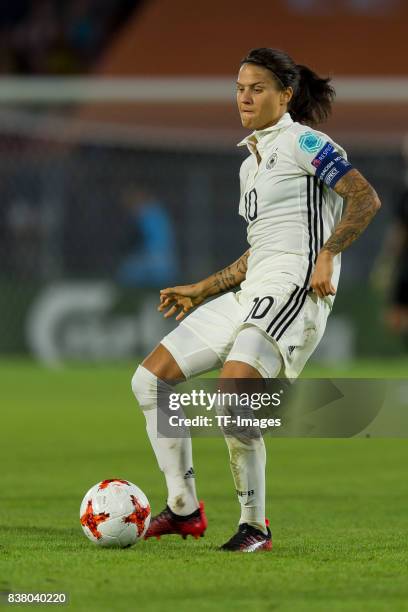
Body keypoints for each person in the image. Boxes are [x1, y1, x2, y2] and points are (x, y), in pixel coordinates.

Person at [131, 48, 381, 552]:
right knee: (150, 381)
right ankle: (183, 509)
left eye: (257, 88)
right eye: (240, 88)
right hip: (252, 291)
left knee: (233, 403)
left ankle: (255, 527)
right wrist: (206, 286)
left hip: (294, 291)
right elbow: (263, 248)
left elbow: (364, 197)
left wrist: (329, 254)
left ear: (285, 94)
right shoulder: (251, 164)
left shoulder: (304, 141)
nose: (244, 97)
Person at [117, 183, 178, 287]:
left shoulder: (146, 212)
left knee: (126, 273)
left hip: (152, 260)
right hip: (165, 261)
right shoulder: (158, 210)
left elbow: (139, 237)